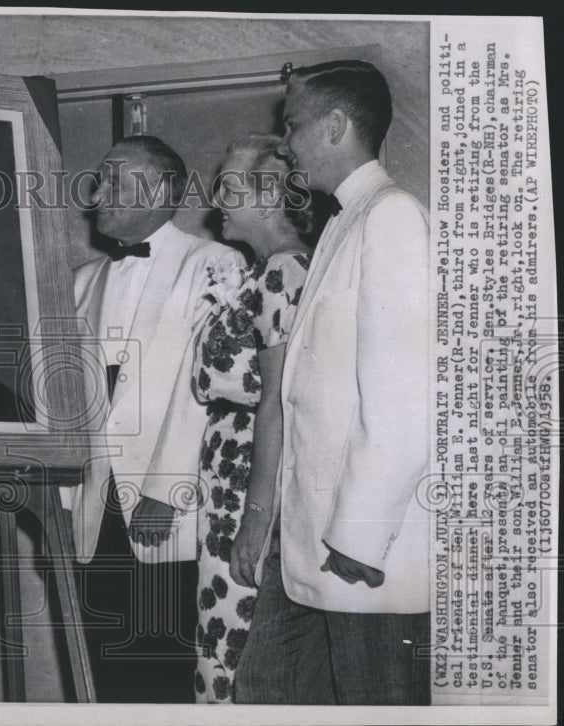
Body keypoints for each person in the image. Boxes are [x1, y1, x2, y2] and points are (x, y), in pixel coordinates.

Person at [234, 60, 431, 705]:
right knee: (265, 699)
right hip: (306, 545)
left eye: (292, 126)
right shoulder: (345, 221)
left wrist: (359, 537)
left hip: (358, 551)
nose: (284, 145)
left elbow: (402, 400)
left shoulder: (392, 217)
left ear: (336, 125)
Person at [63, 135, 245, 702]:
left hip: (165, 500)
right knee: (102, 661)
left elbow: (210, 388)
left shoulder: (214, 261)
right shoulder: (81, 279)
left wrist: (166, 489)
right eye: (100, 177)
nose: (100, 191)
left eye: (117, 177)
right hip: (94, 500)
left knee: (165, 662)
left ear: (164, 190)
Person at [191, 134, 315, 703]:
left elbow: (278, 401)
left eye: (228, 188)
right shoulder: (266, 271)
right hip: (228, 479)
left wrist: (255, 520)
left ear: (266, 200)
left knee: (232, 644)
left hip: (247, 481)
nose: (217, 200)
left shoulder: (283, 274)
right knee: (222, 637)